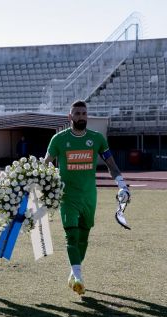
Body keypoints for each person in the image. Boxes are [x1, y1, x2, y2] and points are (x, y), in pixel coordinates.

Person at [43, 100, 130, 296]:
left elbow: (111, 164)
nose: (81, 116)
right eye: (77, 113)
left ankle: (73, 273)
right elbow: (46, 163)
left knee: (83, 238)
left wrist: (122, 184)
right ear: (70, 117)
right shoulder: (58, 139)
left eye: (84, 113)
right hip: (68, 196)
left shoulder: (97, 139)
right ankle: (79, 277)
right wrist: (50, 182)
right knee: (71, 235)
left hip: (89, 196)